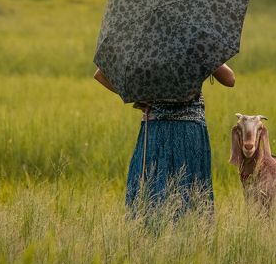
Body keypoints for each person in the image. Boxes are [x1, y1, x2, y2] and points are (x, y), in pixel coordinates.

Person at [94, 64, 235, 219]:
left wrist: (137, 98)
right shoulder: (196, 42)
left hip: (154, 131)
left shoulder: (144, 43)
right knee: (191, 197)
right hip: (190, 133)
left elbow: (100, 74)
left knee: (152, 193)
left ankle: (152, 237)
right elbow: (229, 79)